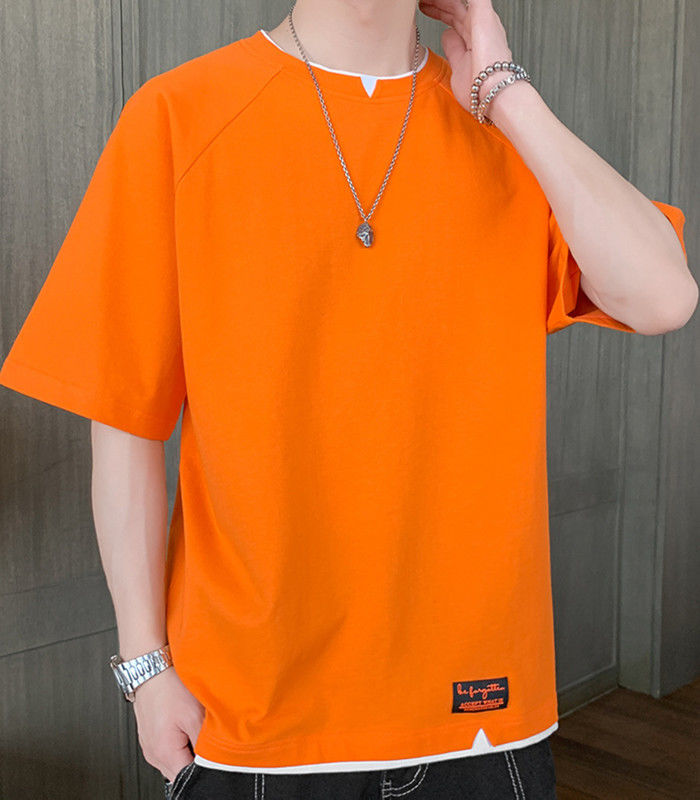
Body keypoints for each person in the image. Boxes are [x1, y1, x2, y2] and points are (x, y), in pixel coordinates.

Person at [0, 0, 694, 798]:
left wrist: (508, 93)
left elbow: (664, 297)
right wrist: (145, 669)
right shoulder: (177, 115)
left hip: (480, 712)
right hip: (252, 720)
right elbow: (124, 418)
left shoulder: (505, 135)